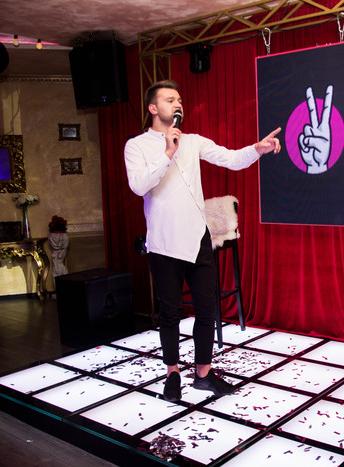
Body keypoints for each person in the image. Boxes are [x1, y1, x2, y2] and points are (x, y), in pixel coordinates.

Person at [125, 79, 281, 402]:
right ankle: (172, 373)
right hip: (164, 243)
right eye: (170, 99)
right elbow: (139, 186)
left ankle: (203, 374)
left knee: (207, 310)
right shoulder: (136, 146)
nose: (177, 104)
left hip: (198, 239)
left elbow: (231, 159)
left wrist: (258, 149)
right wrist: (167, 152)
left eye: (179, 100)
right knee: (170, 314)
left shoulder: (193, 141)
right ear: (153, 108)